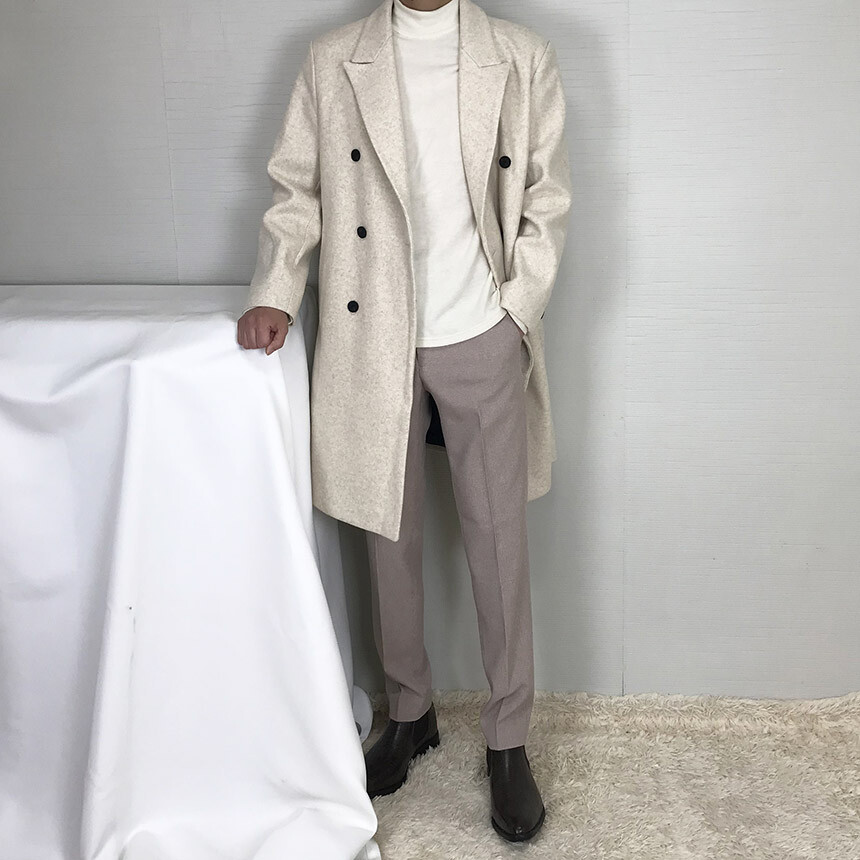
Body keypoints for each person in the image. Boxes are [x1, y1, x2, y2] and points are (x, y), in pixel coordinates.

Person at [237, 0, 572, 843]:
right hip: (372, 333)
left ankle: (508, 738)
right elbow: (297, 187)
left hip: (480, 332)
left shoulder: (520, 55)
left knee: (499, 545)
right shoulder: (332, 58)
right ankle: (409, 712)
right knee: (388, 539)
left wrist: (515, 312)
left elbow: (547, 195)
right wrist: (276, 289)